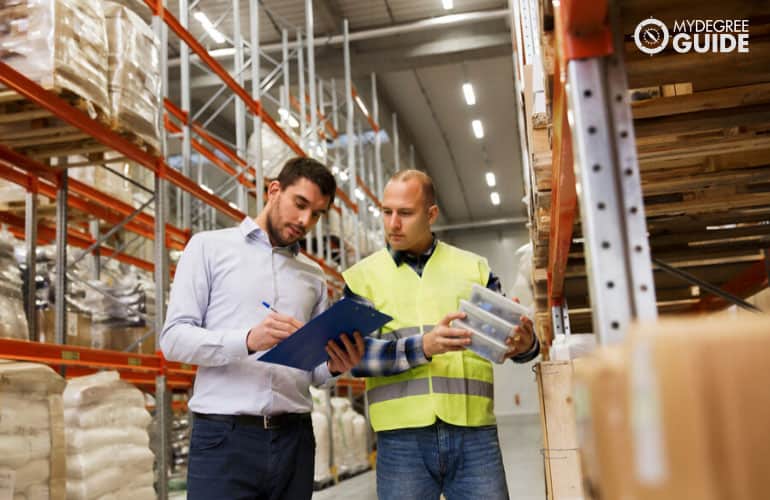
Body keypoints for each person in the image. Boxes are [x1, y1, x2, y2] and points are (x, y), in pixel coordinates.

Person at [160, 157, 365, 500]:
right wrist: (248, 340)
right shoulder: (209, 248)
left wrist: (333, 365)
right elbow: (174, 340)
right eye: (300, 204)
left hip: (295, 440)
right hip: (225, 439)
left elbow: (312, 371)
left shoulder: (313, 275)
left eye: (316, 214)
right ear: (274, 190)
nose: (305, 221)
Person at [339, 169, 539, 500]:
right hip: (401, 439)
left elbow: (511, 342)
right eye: (386, 212)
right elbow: (353, 357)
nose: (393, 224)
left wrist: (525, 343)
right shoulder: (363, 278)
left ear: (431, 214)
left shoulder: (473, 267)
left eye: (405, 213)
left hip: (474, 433)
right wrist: (423, 347)